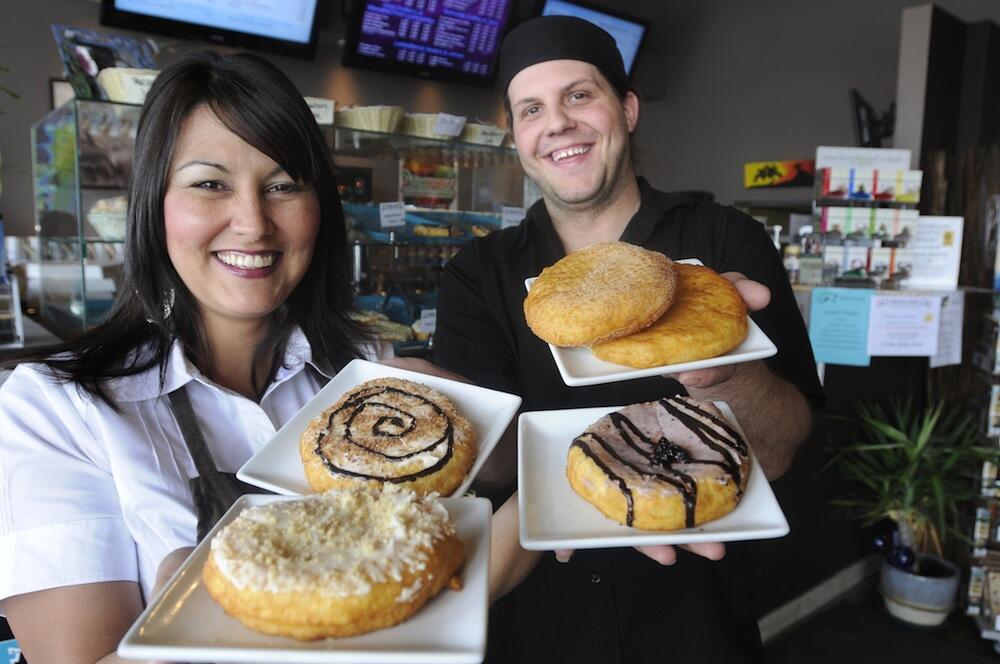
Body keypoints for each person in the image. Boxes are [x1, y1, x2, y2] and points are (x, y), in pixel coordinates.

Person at [0, 51, 434, 663]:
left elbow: (435, 569)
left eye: (284, 186)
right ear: (155, 204)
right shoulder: (57, 408)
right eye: (210, 184)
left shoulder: (366, 371)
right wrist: (210, 584)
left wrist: (523, 464)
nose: (253, 223)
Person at [434, 15, 824, 663]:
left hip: (694, 614)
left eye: (579, 95)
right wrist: (451, 411)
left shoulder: (724, 246)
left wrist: (726, 373)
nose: (556, 122)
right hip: (536, 620)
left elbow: (783, 449)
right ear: (516, 137)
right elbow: (489, 471)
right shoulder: (478, 274)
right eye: (531, 108)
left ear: (629, 109)